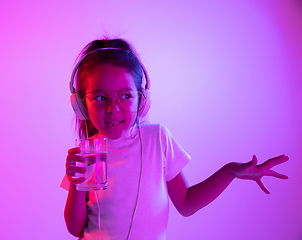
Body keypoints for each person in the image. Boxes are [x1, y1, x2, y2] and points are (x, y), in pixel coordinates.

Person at [62, 38, 289, 240]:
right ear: (81, 104)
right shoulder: (87, 153)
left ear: (142, 100)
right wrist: (75, 181)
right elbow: (75, 229)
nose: (113, 109)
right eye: (100, 97)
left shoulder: (157, 139)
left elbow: (187, 204)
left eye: (125, 96)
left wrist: (231, 171)